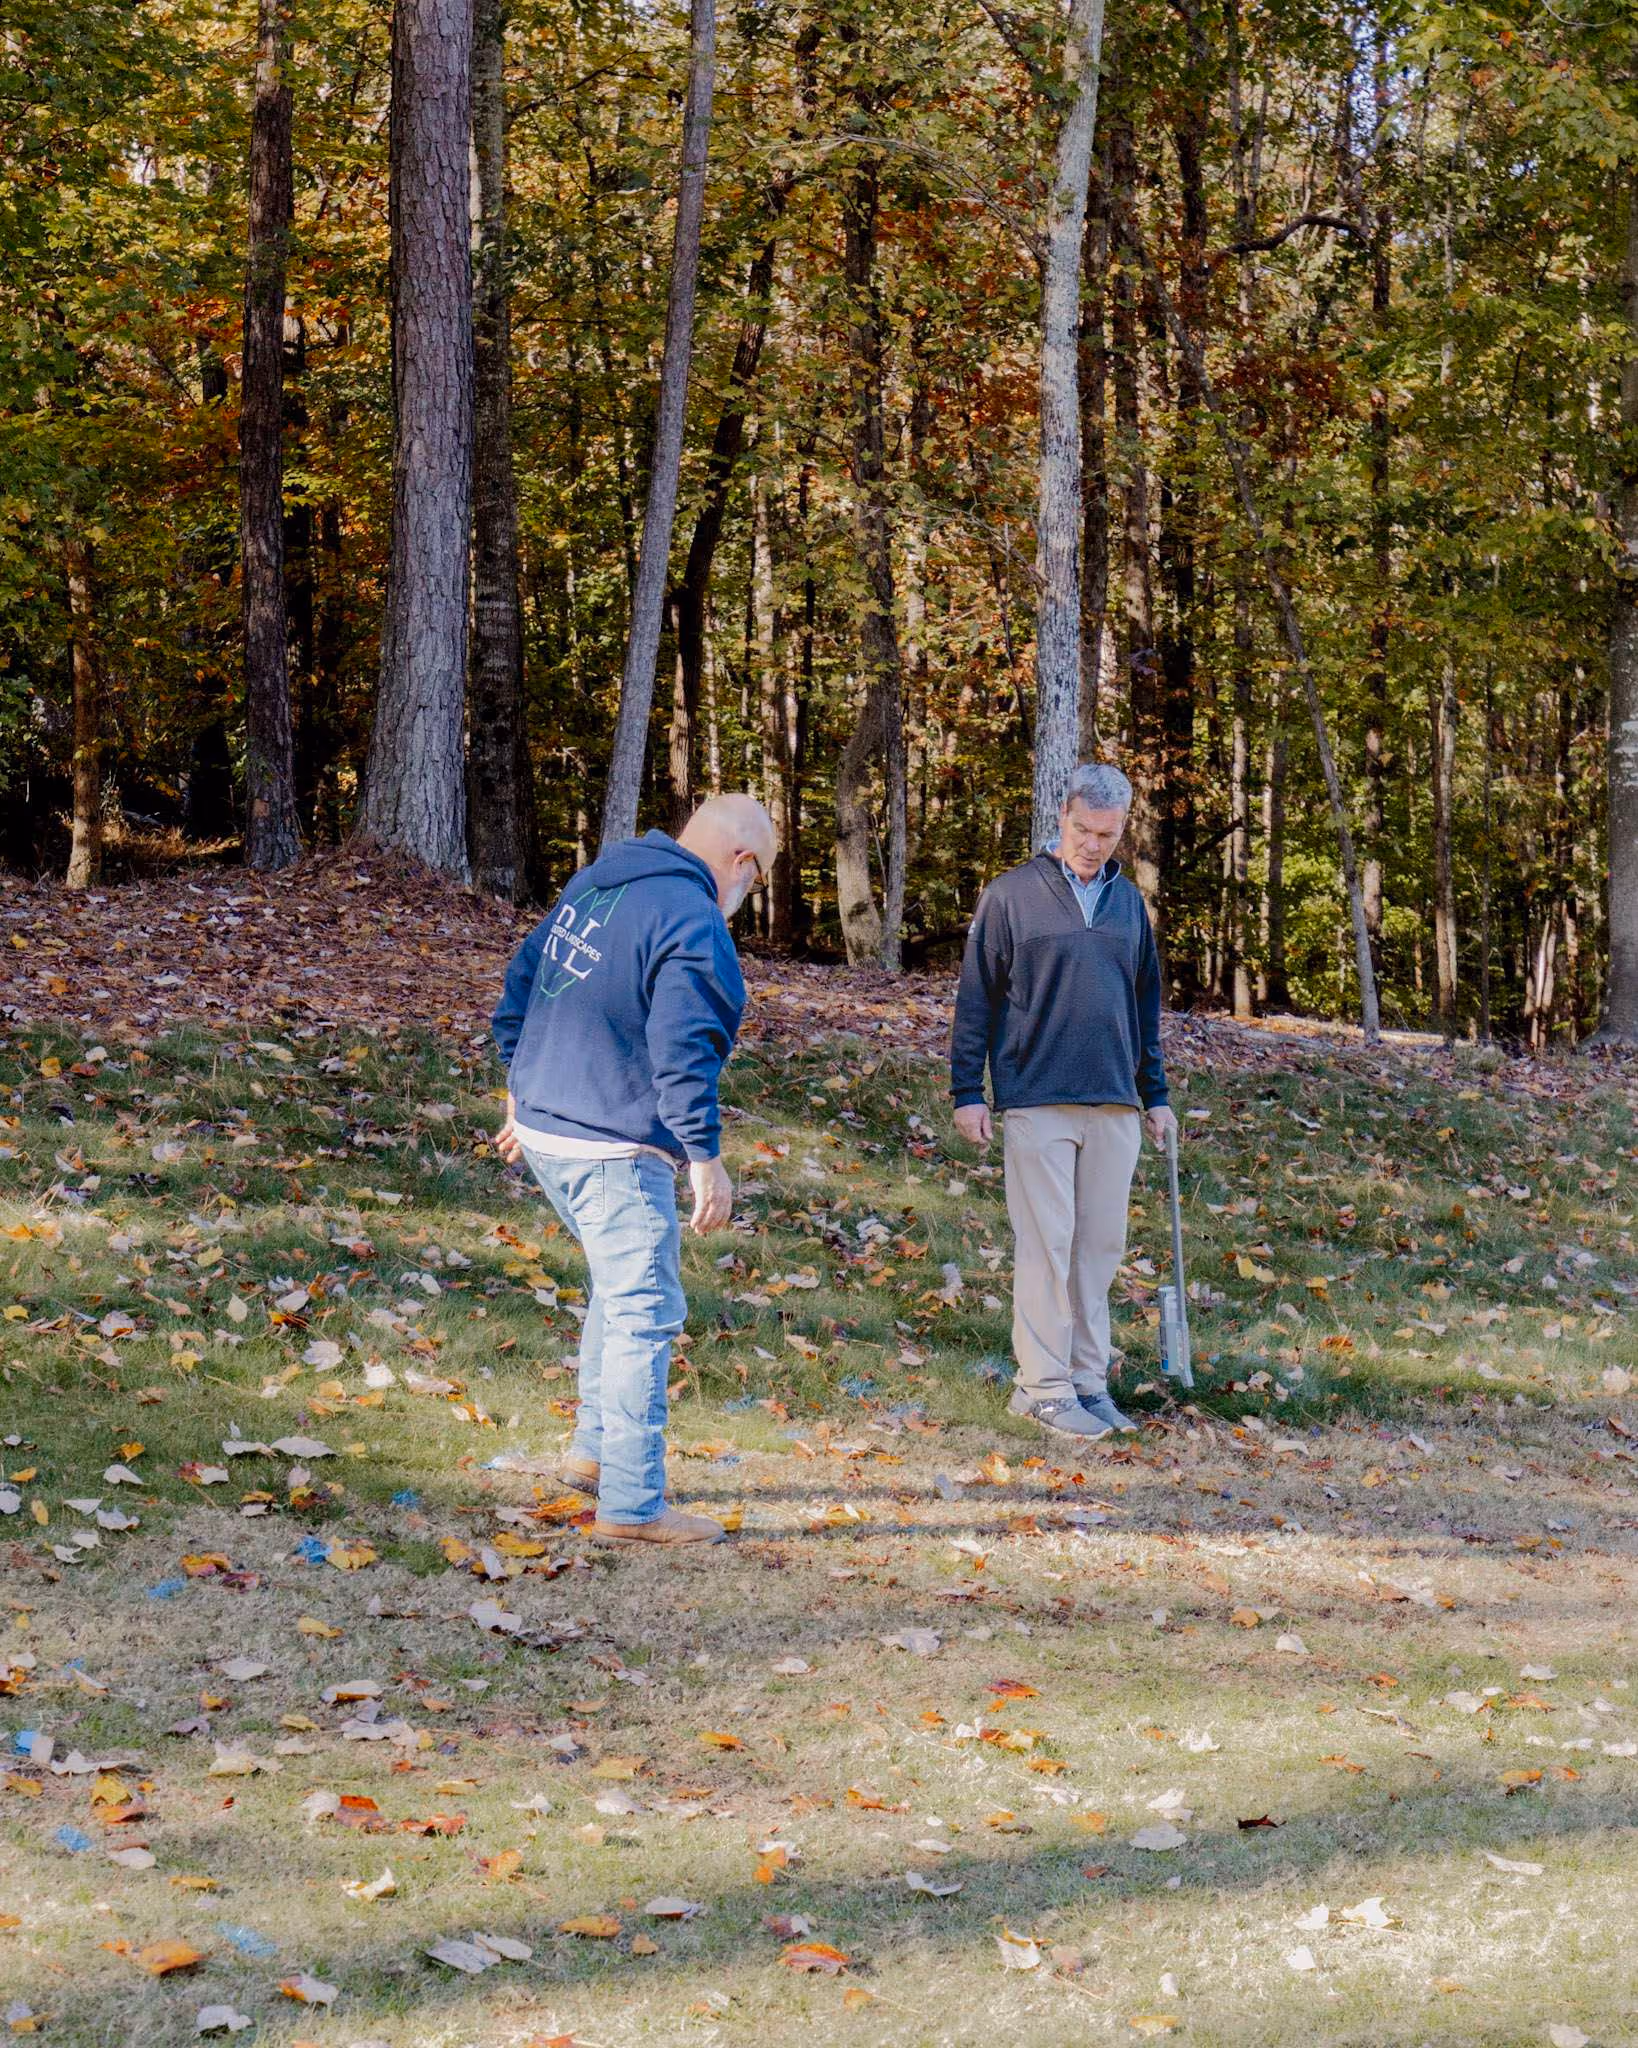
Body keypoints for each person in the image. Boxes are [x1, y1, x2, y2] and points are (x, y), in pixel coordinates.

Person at [492, 793, 777, 1548]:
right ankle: (632, 1504)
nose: (752, 895)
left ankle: (595, 1453)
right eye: (761, 876)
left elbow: (523, 985)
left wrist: (521, 1090)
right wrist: (705, 1158)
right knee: (644, 1308)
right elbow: (685, 1050)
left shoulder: (600, 880)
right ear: (742, 861)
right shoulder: (693, 920)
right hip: (611, 1142)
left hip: (548, 1128)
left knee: (617, 1289)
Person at [949, 762, 1178, 1439]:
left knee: (1098, 1249)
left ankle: (1086, 1380)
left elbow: (1145, 1005)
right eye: (1082, 829)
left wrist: (1155, 1094)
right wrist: (969, 1090)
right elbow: (976, 999)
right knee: (1047, 1246)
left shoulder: (1129, 904)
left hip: (1114, 1102)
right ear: (1061, 816)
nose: (1092, 844)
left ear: (1121, 830)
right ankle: (1042, 1388)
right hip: (1036, 1098)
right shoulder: (1011, 895)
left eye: (1107, 834)